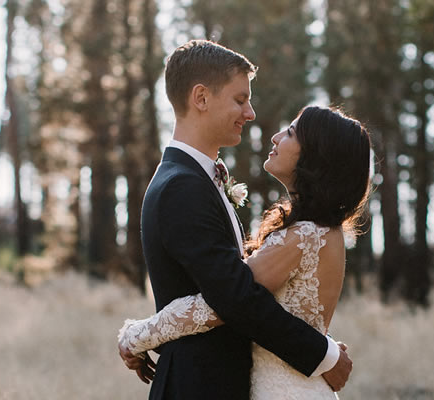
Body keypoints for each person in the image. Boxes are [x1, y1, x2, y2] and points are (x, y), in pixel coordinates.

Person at [117, 40, 358, 400]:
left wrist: (140, 335)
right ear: (201, 98)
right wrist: (323, 354)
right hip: (198, 387)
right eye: (240, 99)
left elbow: (231, 291)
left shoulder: (201, 181)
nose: (251, 113)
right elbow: (235, 297)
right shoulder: (181, 186)